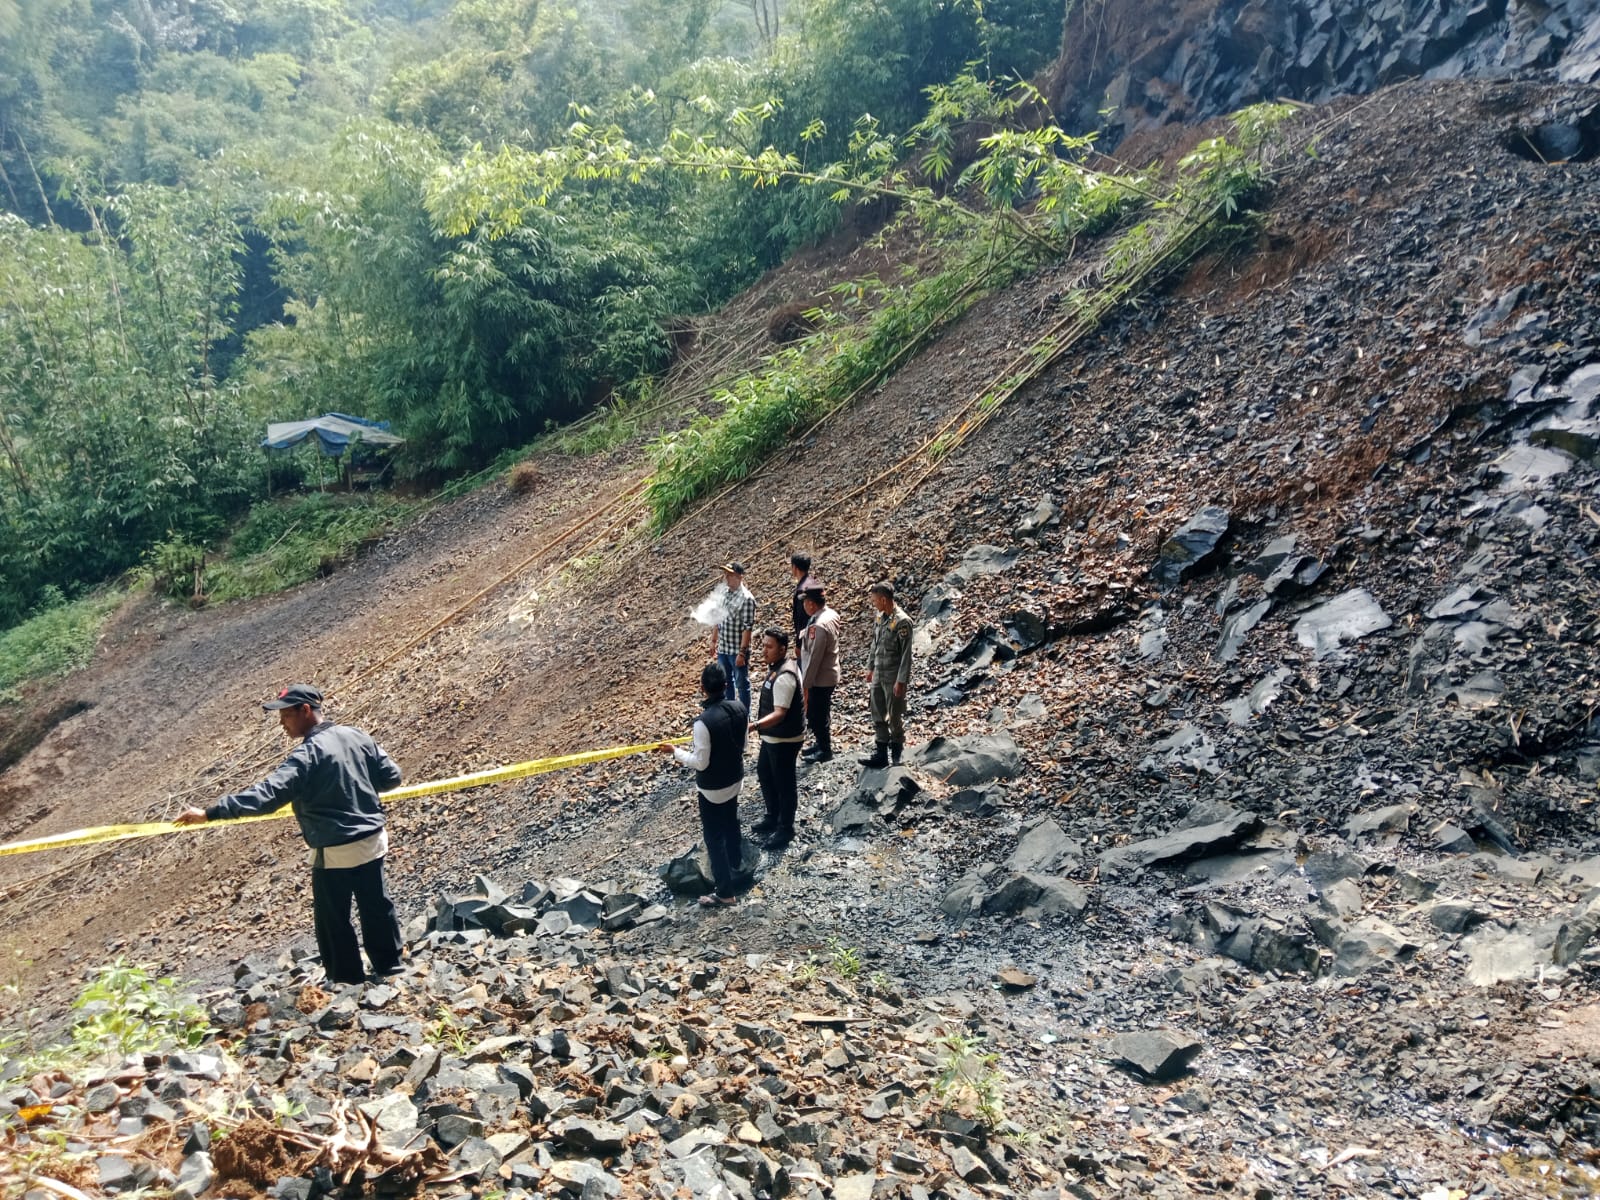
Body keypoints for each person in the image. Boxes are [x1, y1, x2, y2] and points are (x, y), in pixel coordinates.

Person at [174, 685, 405, 985]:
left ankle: (348, 982)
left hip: (335, 851)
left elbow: (266, 796)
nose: (282, 722)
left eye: (285, 714)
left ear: (305, 710)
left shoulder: (307, 756)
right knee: (376, 904)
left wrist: (211, 812)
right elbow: (392, 777)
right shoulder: (357, 735)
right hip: (373, 841)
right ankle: (391, 967)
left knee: (333, 919)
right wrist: (357, 789)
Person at [657, 662, 746, 907]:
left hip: (712, 788)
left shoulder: (702, 723)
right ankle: (737, 862)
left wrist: (675, 752)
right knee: (731, 822)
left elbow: (700, 762)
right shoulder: (739, 708)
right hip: (735, 779)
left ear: (702, 688)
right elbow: (743, 745)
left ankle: (726, 892)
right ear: (725, 686)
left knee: (714, 837)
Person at [748, 628, 804, 849]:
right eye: (763, 646)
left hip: (784, 739)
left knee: (784, 782)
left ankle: (785, 828)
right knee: (765, 773)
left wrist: (754, 726)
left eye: (769, 647)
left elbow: (780, 713)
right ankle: (773, 816)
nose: (764, 651)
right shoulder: (777, 668)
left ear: (782, 649)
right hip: (773, 737)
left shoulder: (785, 676)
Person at [861, 582, 914, 768]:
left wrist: (901, 681)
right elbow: (875, 644)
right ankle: (881, 754)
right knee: (877, 713)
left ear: (884, 600)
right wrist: (870, 667)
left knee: (894, 715)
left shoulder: (902, 622)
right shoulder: (880, 617)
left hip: (893, 675)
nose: (873, 603)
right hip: (879, 673)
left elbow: (906, 655)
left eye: (875, 600)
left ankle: (897, 754)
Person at [798, 587, 841, 763]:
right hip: (829, 671)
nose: (804, 605)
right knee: (822, 712)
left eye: (805, 602)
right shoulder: (830, 614)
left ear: (812, 604)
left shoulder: (819, 625)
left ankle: (825, 749)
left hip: (820, 677)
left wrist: (806, 683)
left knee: (816, 715)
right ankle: (821, 743)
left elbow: (814, 658)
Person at [709, 562, 756, 712]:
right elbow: (718, 618)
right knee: (725, 683)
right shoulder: (724, 594)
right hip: (723, 648)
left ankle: (744, 715)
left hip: (736, 650)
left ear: (739, 577)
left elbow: (747, 629)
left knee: (742, 684)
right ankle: (730, 713)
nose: (726, 578)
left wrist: (742, 653)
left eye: (730, 575)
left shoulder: (746, 598)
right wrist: (713, 640)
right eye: (726, 575)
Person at [789, 553, 819, 639]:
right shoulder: (813, 582)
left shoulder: (802, 590)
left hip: (808, 637)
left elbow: (802, 617)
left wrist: (799, 643)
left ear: (794, 568)